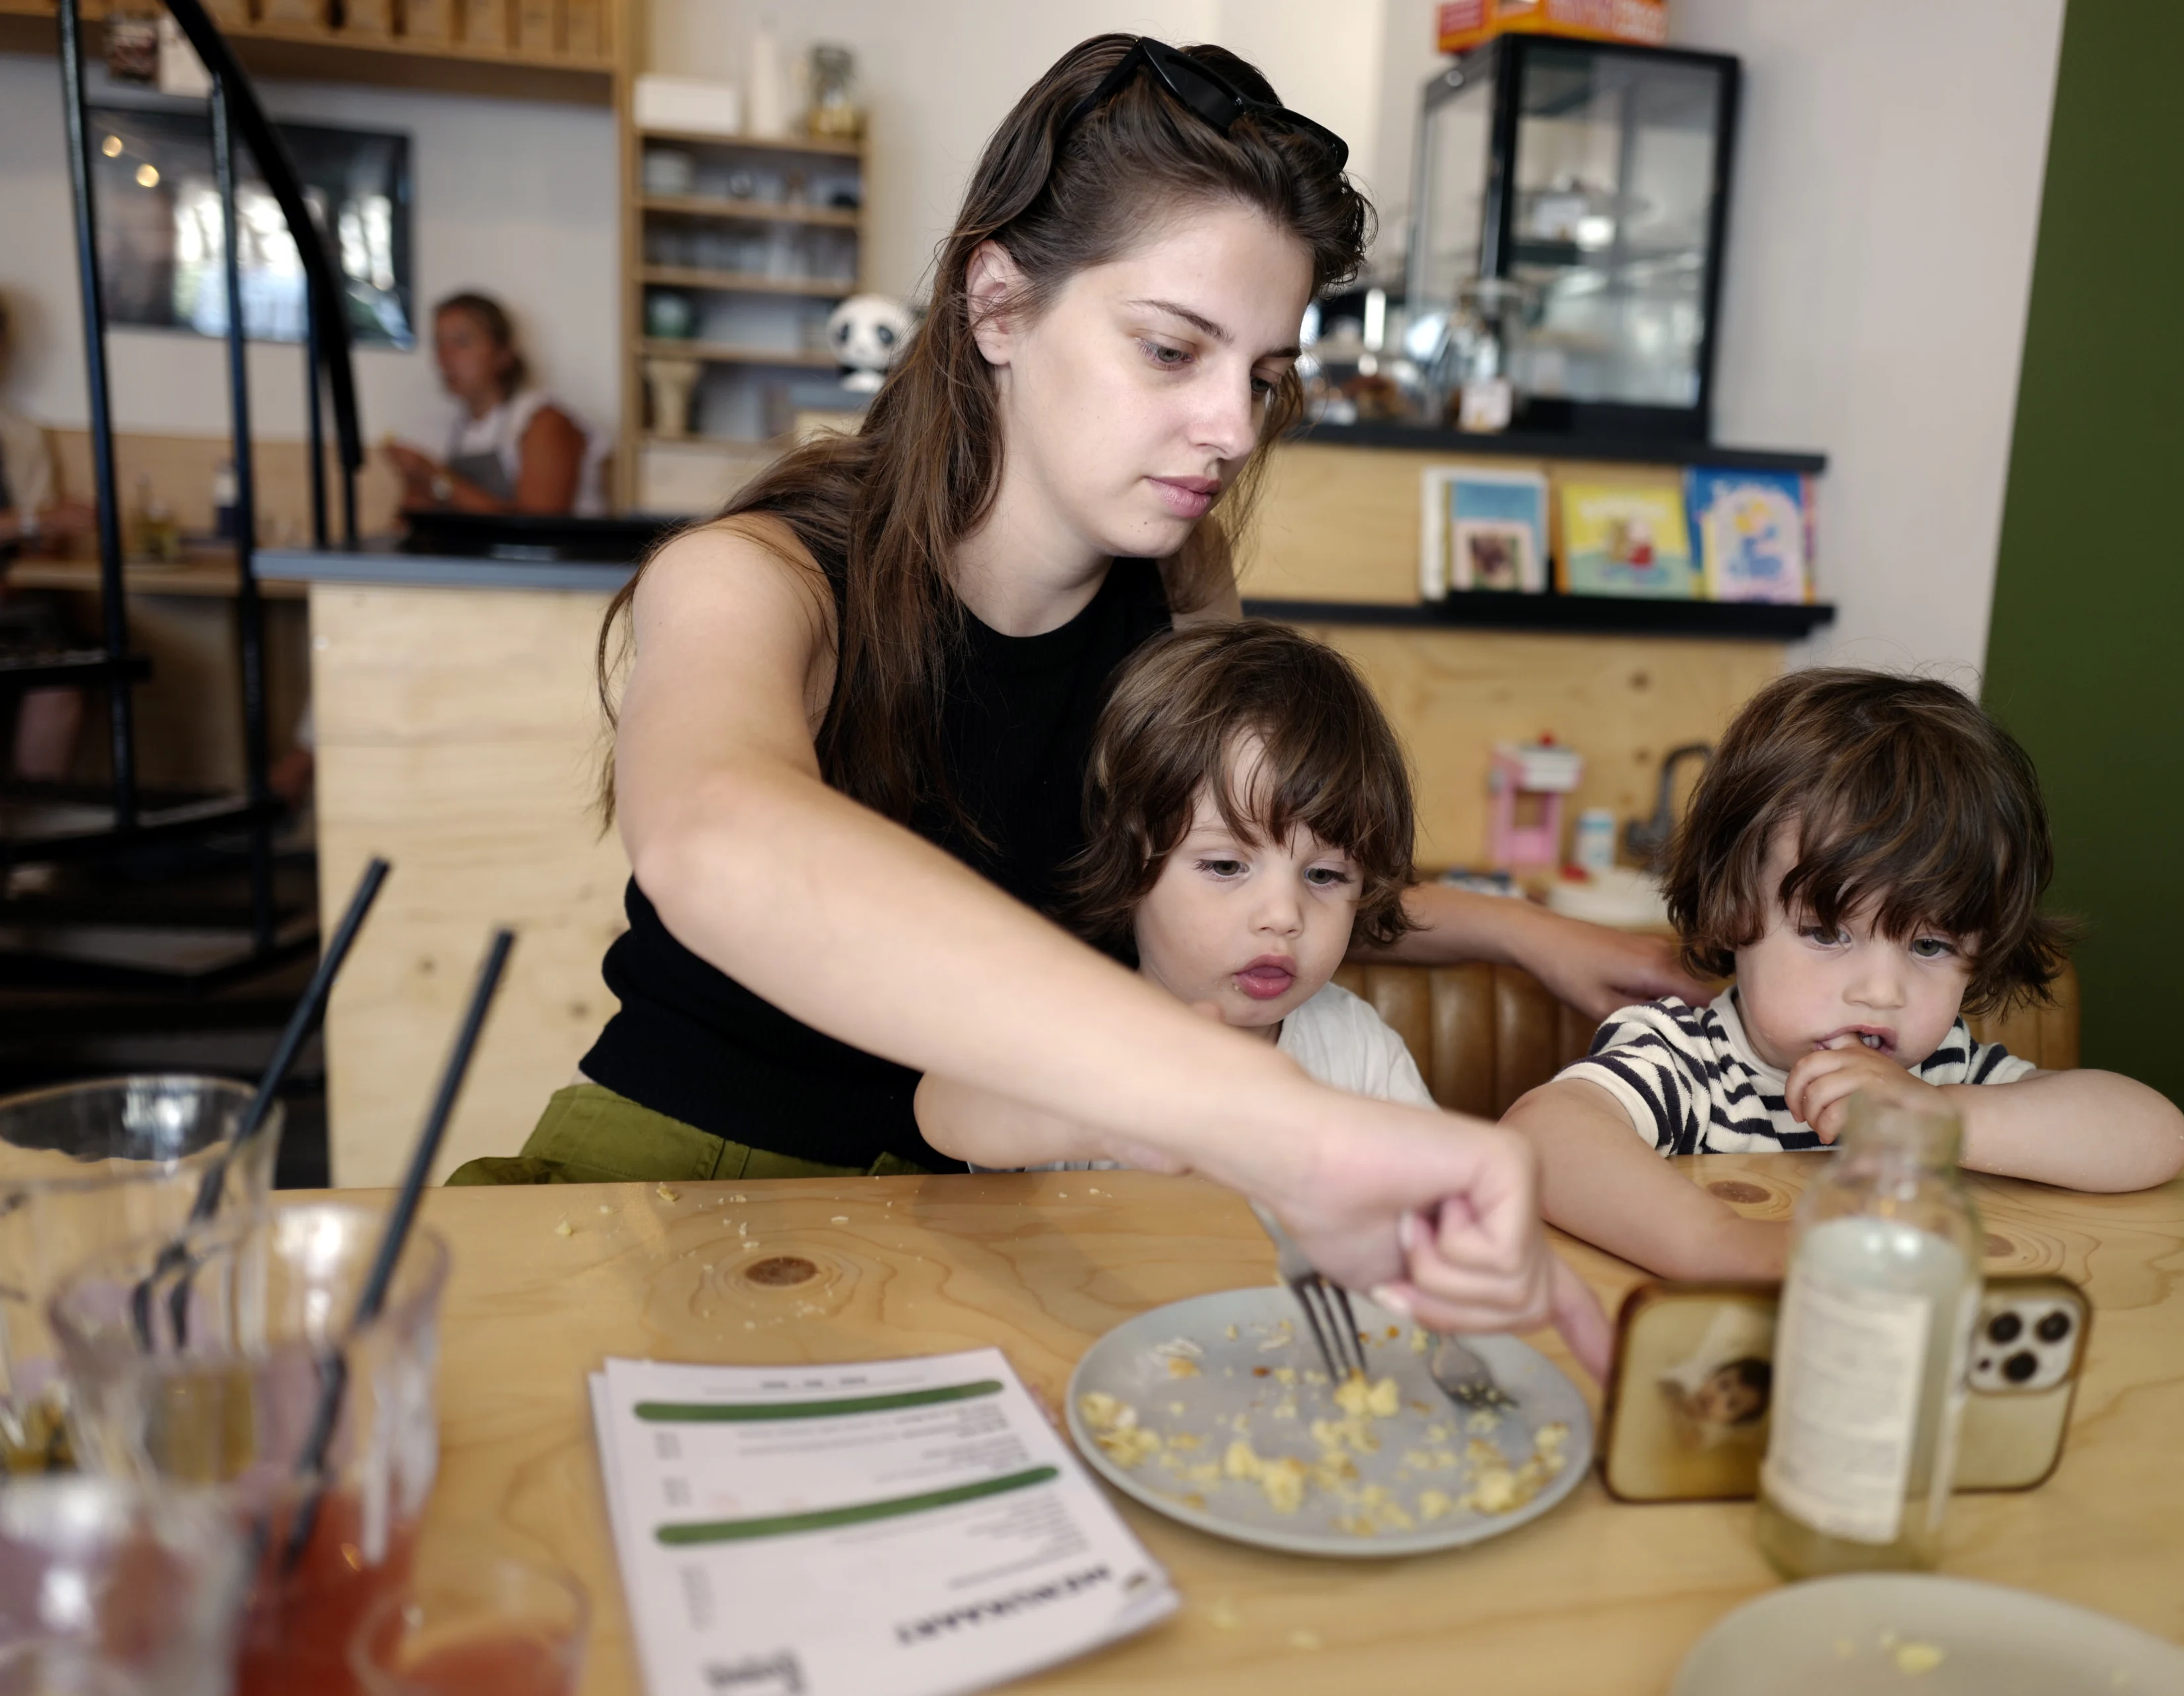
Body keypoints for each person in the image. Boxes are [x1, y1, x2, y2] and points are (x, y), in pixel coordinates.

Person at [454, 36, 1701, 1363]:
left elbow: (1237, 870)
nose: (1231, 425)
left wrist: (1523, 934)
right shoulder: (756, 580)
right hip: (687, 1183)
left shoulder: (1176, 590)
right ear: (998, 305)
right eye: (1174, 351)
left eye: (1264, 375)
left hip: (993, 1209)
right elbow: (719, 838)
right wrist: (1265, 1114)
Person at [1504, 668, 2184, 1281]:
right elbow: (1543, 1132)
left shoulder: (1941, 1076)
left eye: (1929, 946)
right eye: (1828, 932)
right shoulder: (1689, 1063)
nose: (1882, 991)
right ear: (1733, 908)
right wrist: (1721, 1243)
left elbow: (2157, 1136)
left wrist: (1944, 1118)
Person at [919, 620, 1432, 1169]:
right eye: (1226, 865)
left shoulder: (1358, 1051)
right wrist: (1091, 1103)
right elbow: (943, 1110)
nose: (1284, 917)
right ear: (1130, 858)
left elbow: (1434, 1202)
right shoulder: (1074, 1028)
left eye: (1325, 876)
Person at [381, 292, 609, 516]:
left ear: (503, 354)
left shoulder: (544, 422)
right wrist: (417, 481)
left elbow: (538, 531)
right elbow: (410, 522)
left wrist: (436, 479)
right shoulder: (448, 430)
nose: (445, 357)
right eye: (439, 344)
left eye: (461, 342)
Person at [0, 292, 98, 784]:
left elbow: (46, 538)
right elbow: (39, 519)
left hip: (17, 601)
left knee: (61, 675)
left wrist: (48, 534)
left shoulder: (21, 435)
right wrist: (36, 523)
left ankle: (34, 845)